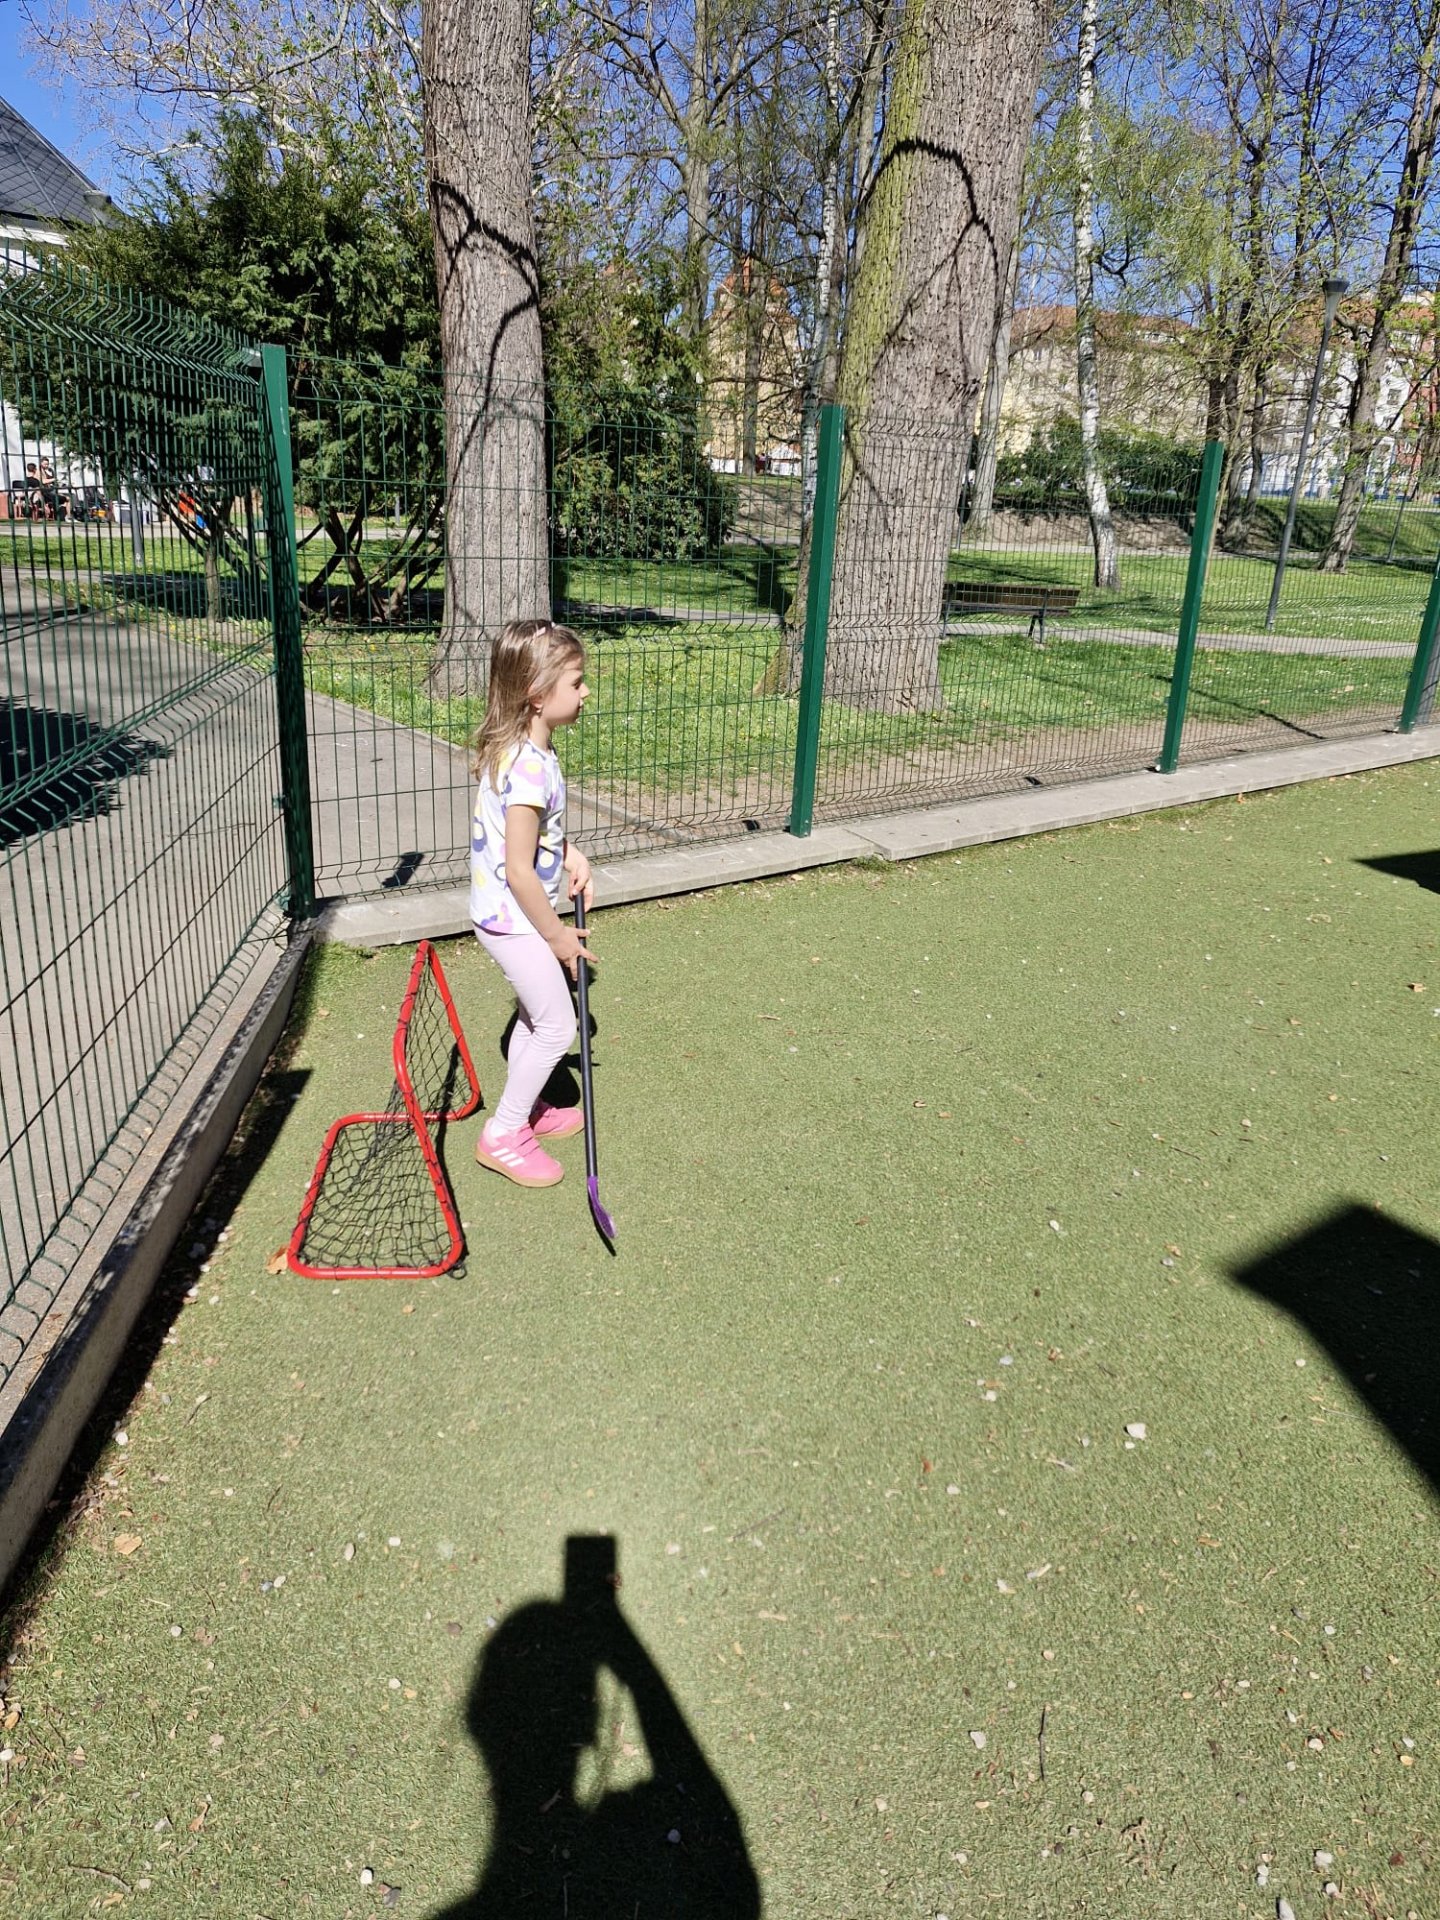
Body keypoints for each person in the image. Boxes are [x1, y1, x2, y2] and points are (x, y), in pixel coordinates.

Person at [470, 619, 596, 1189]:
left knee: (534, 1016)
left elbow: (536, 838)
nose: (585, 692)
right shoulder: (525, 768)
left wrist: (570, 854)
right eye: (576, 682)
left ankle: (525, 1109)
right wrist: (557, 937)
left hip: (513, 913)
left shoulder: (532, 752)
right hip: (514, 920)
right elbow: (519, 870)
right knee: (557, 1026)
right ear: (537, 695)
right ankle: (503, 1134)